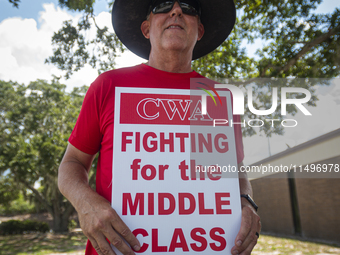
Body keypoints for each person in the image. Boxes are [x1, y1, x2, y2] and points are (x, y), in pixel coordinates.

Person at [58, 0, 261, 254]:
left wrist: (246, 201)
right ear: (146, 28)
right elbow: (72, 163)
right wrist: (84, 202)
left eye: (188, 7)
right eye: (163, 5)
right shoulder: (108, 85)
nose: (176, 11)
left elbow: (233, 171)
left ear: (199, 30)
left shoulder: (219, 98)